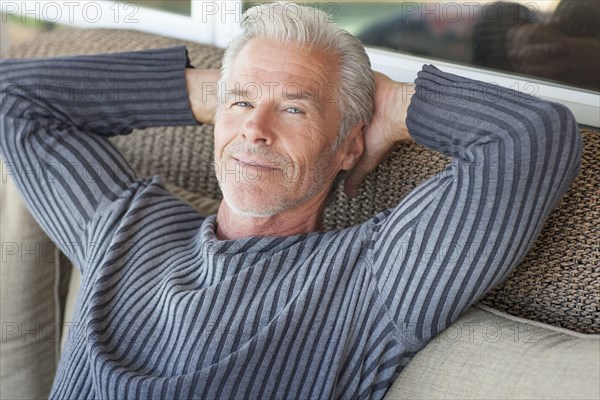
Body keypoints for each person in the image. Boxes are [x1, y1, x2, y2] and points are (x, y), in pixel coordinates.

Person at [0, 1, 582, 399]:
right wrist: (212, 88)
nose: (255, 128)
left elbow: (532, 136)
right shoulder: (129, 225)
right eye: (241, 105)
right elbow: (14, 100)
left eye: (296, 109)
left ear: (348, 145)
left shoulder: (374, 278)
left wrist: (396, 104)